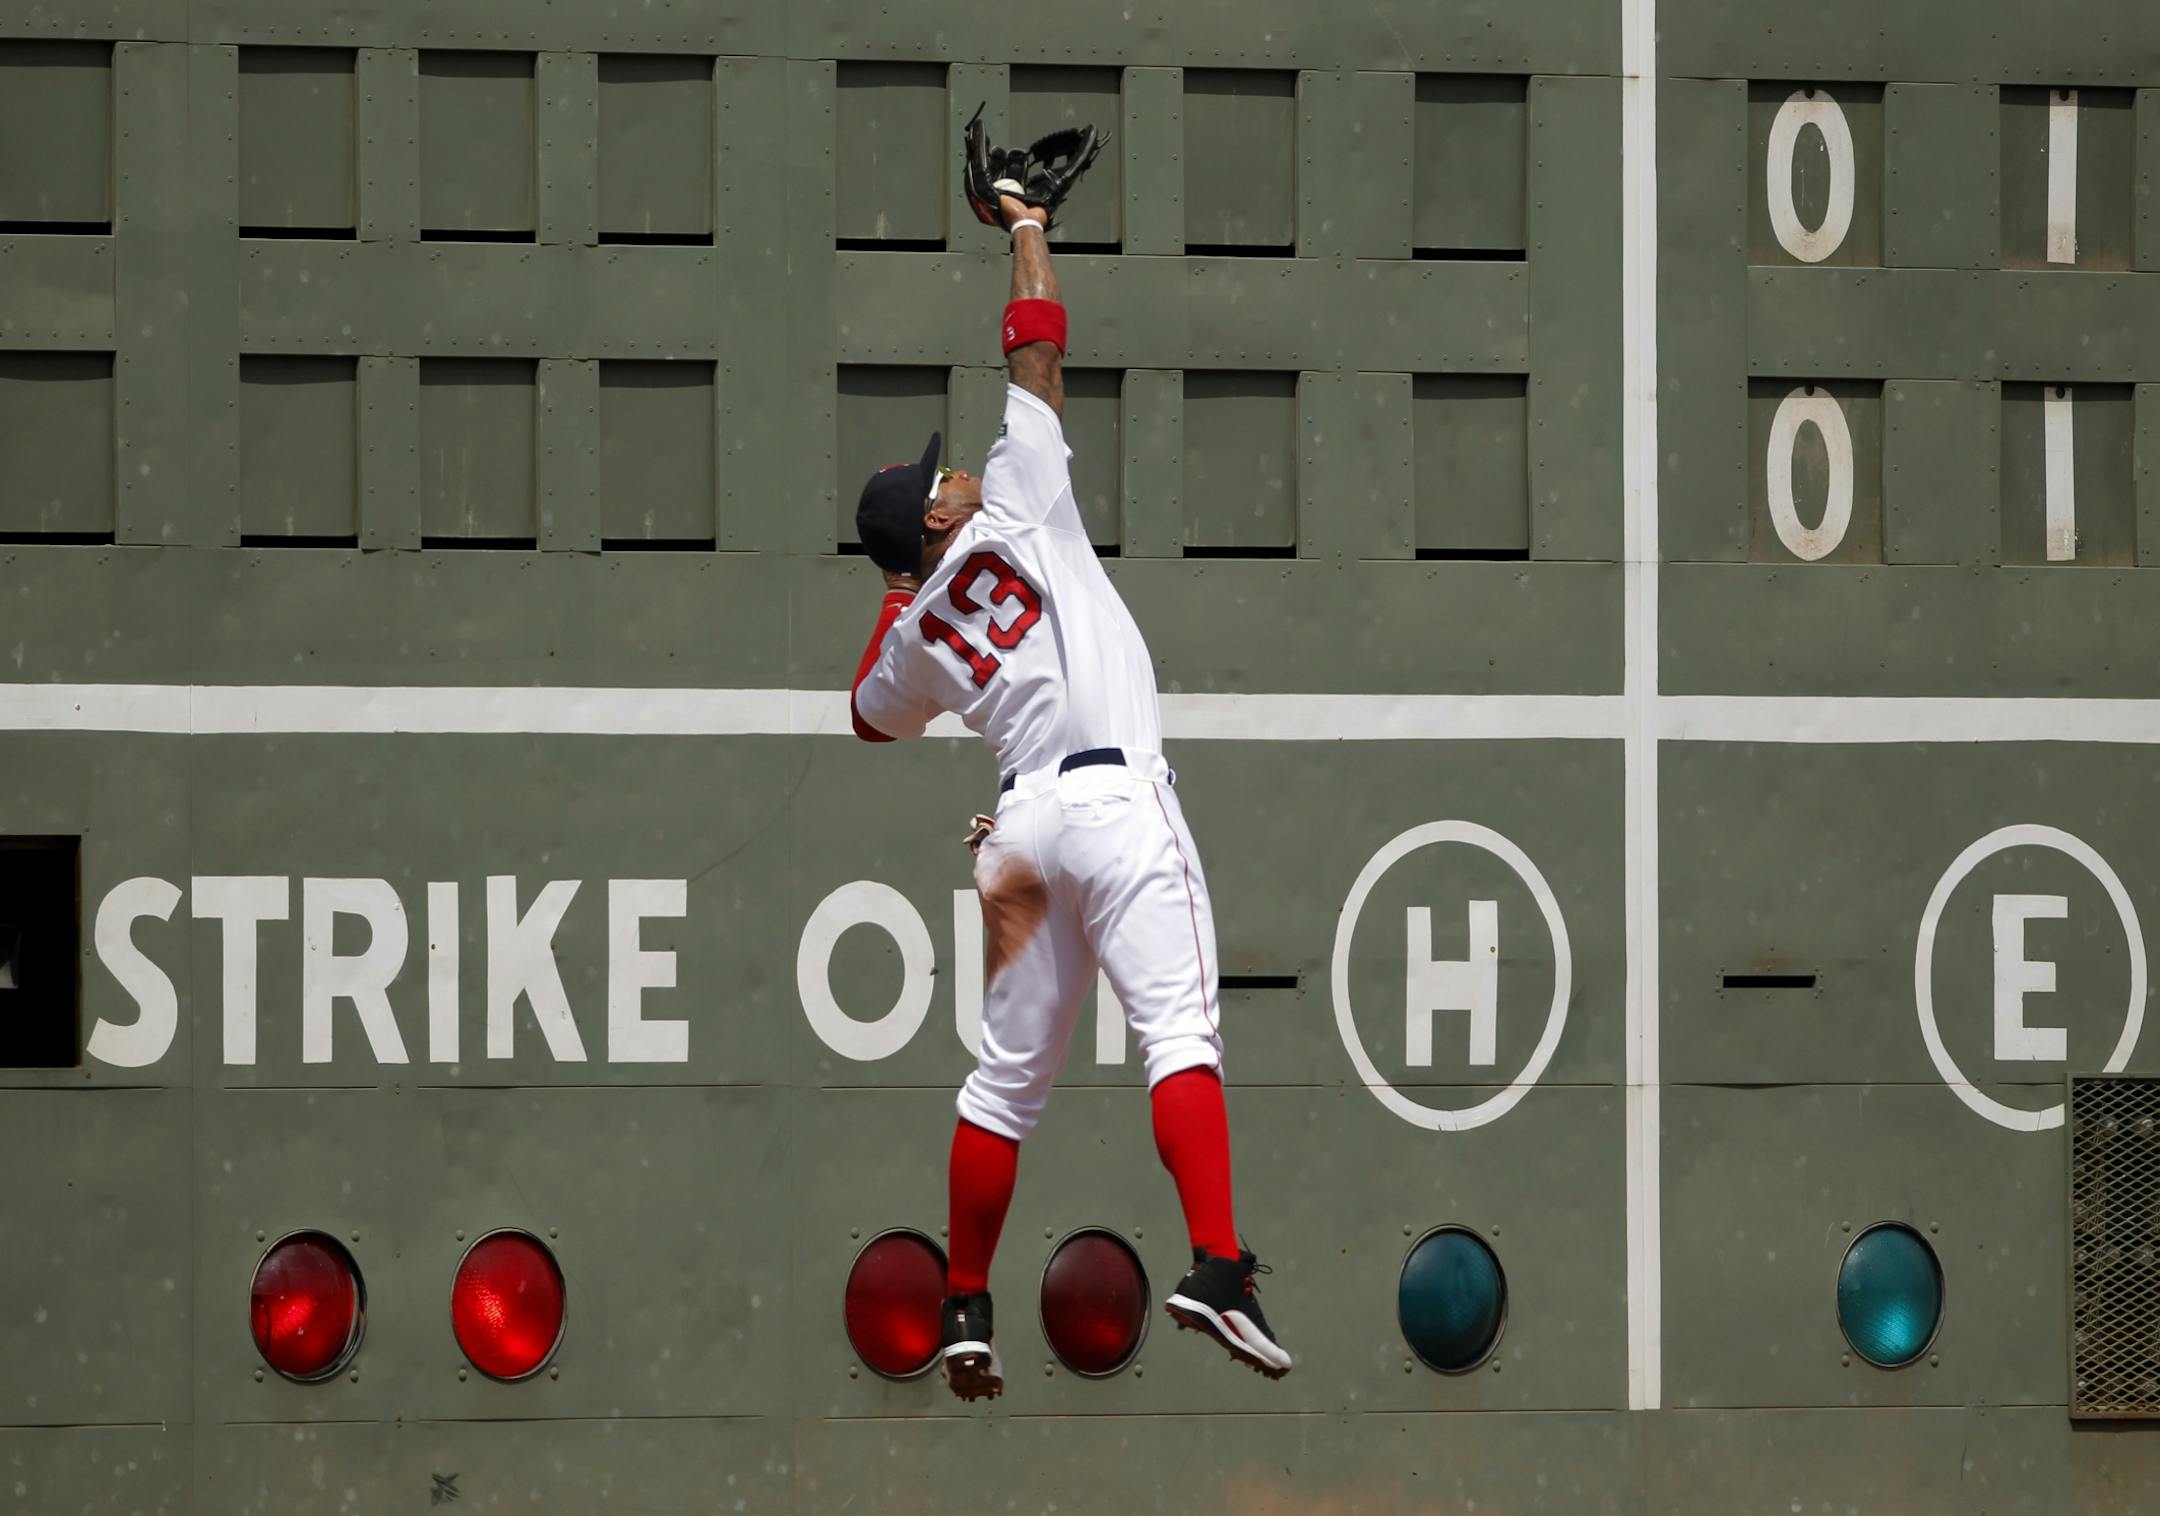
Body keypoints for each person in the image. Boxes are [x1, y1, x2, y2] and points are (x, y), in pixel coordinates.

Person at [846, 188, 1291, 1401]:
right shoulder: (1022, 499)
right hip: (1110, 802)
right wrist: (1028, 224)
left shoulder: (914, 641)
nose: (953, 478)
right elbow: (1037, 347)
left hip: (1022, 837)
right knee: (1181, 1036)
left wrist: (905, 594)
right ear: (939, 515)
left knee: (1001, 1085)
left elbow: (864, 715)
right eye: (938, 486)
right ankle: (1216, 1263)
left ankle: (967, 1303)